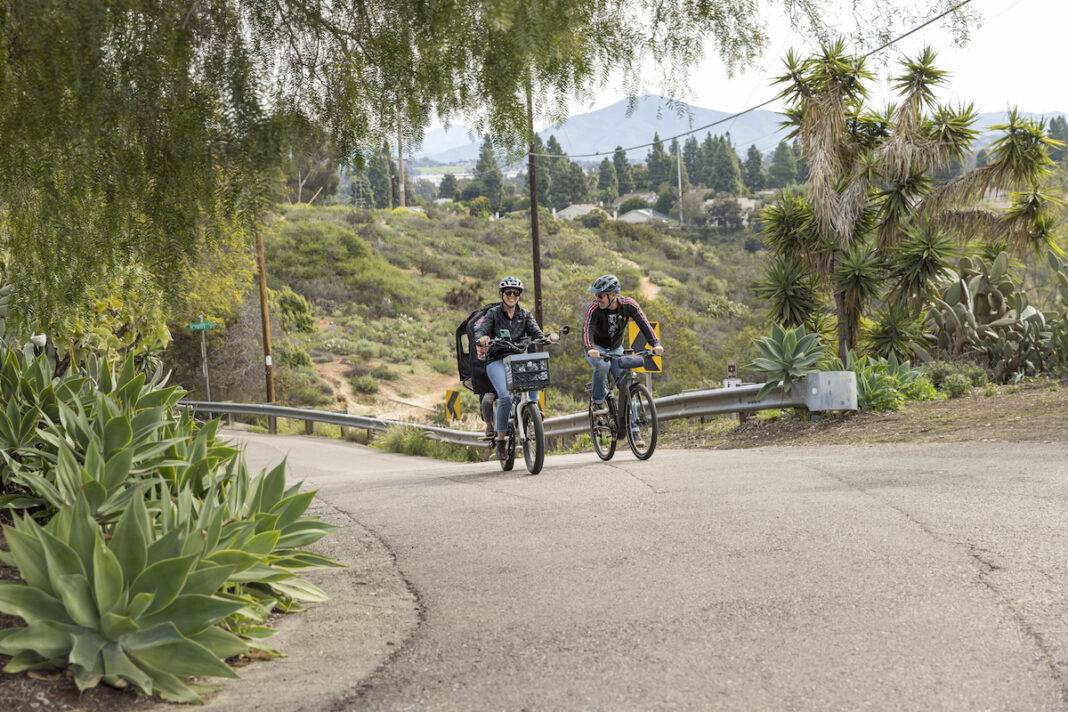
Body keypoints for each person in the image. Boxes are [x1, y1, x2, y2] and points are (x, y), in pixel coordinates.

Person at [474, 277, 558, 459]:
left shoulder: (525, 315)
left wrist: (547, 337)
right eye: (509, 293)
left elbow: (536, 332)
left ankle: (533, 409)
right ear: (502, 295)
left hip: (519, 360)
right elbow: (480, 330)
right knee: (504, 397)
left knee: (535, 372)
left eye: (516, 293)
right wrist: (482, 338)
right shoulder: (494, 314)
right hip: (496, 360)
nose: (512, 296)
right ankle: (501, 440)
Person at [582, 274, 664, 424]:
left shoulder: (629, 305)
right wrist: (590, 348)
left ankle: (634, 429)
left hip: (616, 349)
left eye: (600, 295)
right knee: (602, 365)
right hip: (596, 348)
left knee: (625, 386)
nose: (597, 299)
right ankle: (598, 402)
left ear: (613, 295)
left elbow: (644, 324)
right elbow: (587, 329)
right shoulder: (594, 308)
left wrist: (656, 344)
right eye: (595, 295)